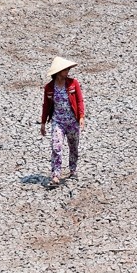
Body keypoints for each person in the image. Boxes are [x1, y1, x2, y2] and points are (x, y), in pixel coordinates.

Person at [41, 57, 85, 186]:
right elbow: (45, 105)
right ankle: (55, 175)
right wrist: (43, 123)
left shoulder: (73, 83)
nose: (68, 71)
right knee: (56, 146)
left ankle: (73, 170)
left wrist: (81, 117)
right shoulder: (49, 88)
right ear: (59, 71)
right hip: (57, 121)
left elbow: (79, 101)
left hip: (72, 121)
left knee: (73, 146)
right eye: (66, 69)